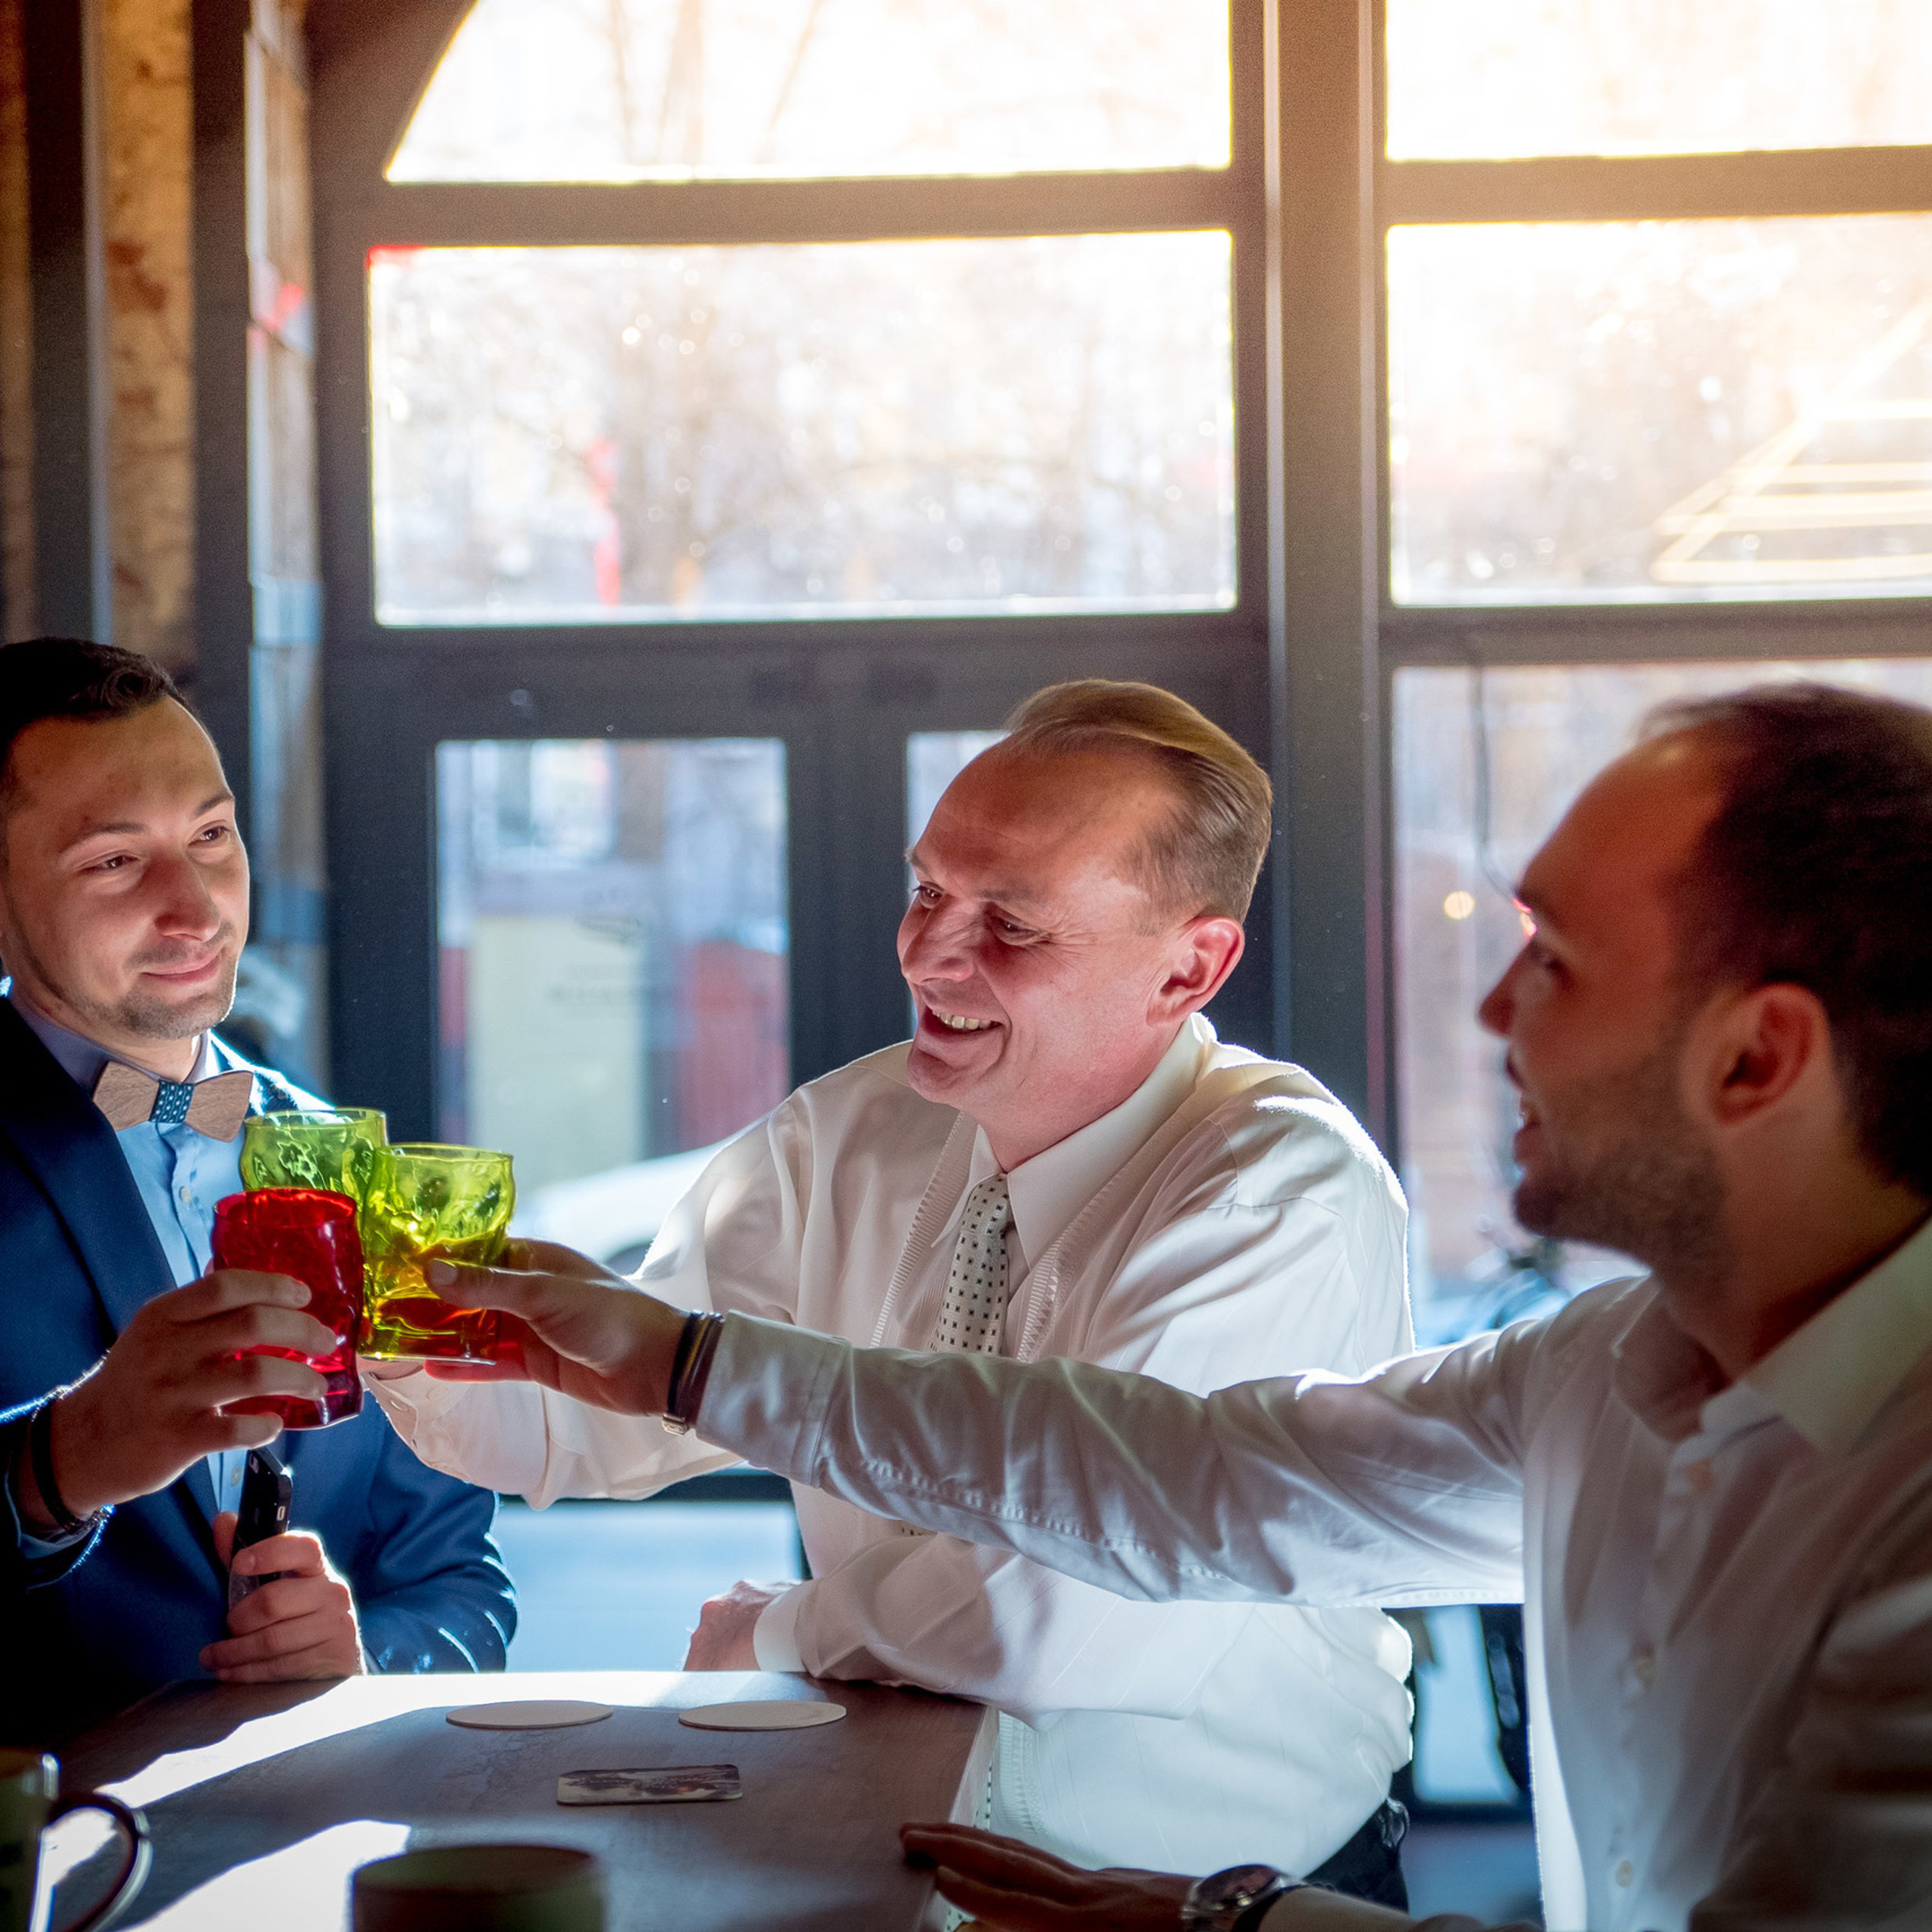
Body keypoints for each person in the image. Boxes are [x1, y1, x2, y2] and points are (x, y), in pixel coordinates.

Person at [414, 683, 1932, 1930]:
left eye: (1556, 960)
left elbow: (1079, 1598)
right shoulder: (1595, 1370)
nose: (1485, 1008)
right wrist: (668, 1361)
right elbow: (1179, 1475)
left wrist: (1236, 1918)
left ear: (1754, 1059)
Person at [371, 680, 1417, 1896]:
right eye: (927, 890)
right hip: (885, 1866)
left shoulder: (1277, 1185)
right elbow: (588, 1430)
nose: (930, 950)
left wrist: (780, 1631)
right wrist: (409, 1328)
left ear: (1189, 971)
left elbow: (1062, 1615)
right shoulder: (848, 1132)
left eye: (1012, 924)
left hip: (1219, 1903)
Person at [0, 639, 514, 1744]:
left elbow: (465, 1588)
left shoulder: (360, 1168)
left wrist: (371, 1657)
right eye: (113, 863)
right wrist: (56, 1467)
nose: (196, 909)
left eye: (211, 837)